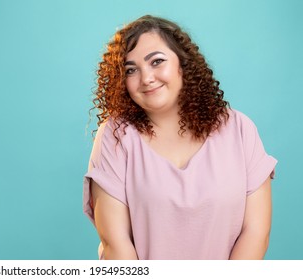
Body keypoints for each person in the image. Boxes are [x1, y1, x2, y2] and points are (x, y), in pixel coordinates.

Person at [83, 15, 277, 260]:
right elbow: (115, 244)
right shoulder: (116, 136)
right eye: (131, 70)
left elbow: (256, 232)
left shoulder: (239, 129)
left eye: (157, 62)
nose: (146, 78)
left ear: (183, 64)